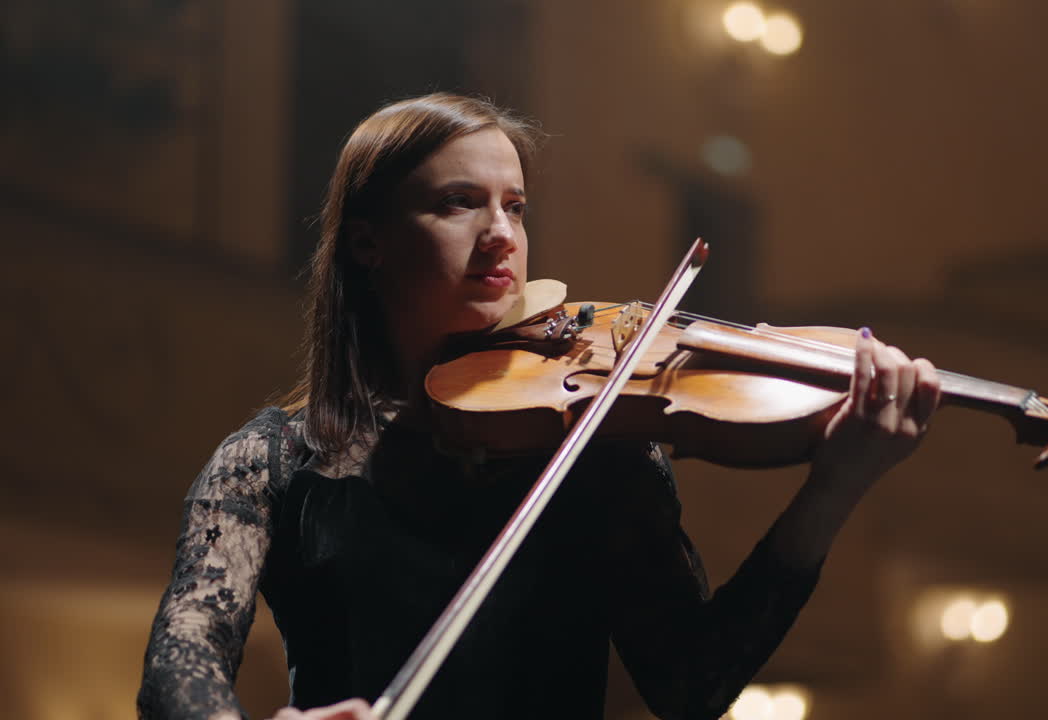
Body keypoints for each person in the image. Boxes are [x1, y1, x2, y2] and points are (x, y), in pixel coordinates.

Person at [137, 92, 941, 720]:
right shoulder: (275, 462)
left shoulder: (594, 446)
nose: (501, 234)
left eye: (515, 206)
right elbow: (182, 662)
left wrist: (834, 488)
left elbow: (692, 684)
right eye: (458, 202)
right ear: (366, 241)